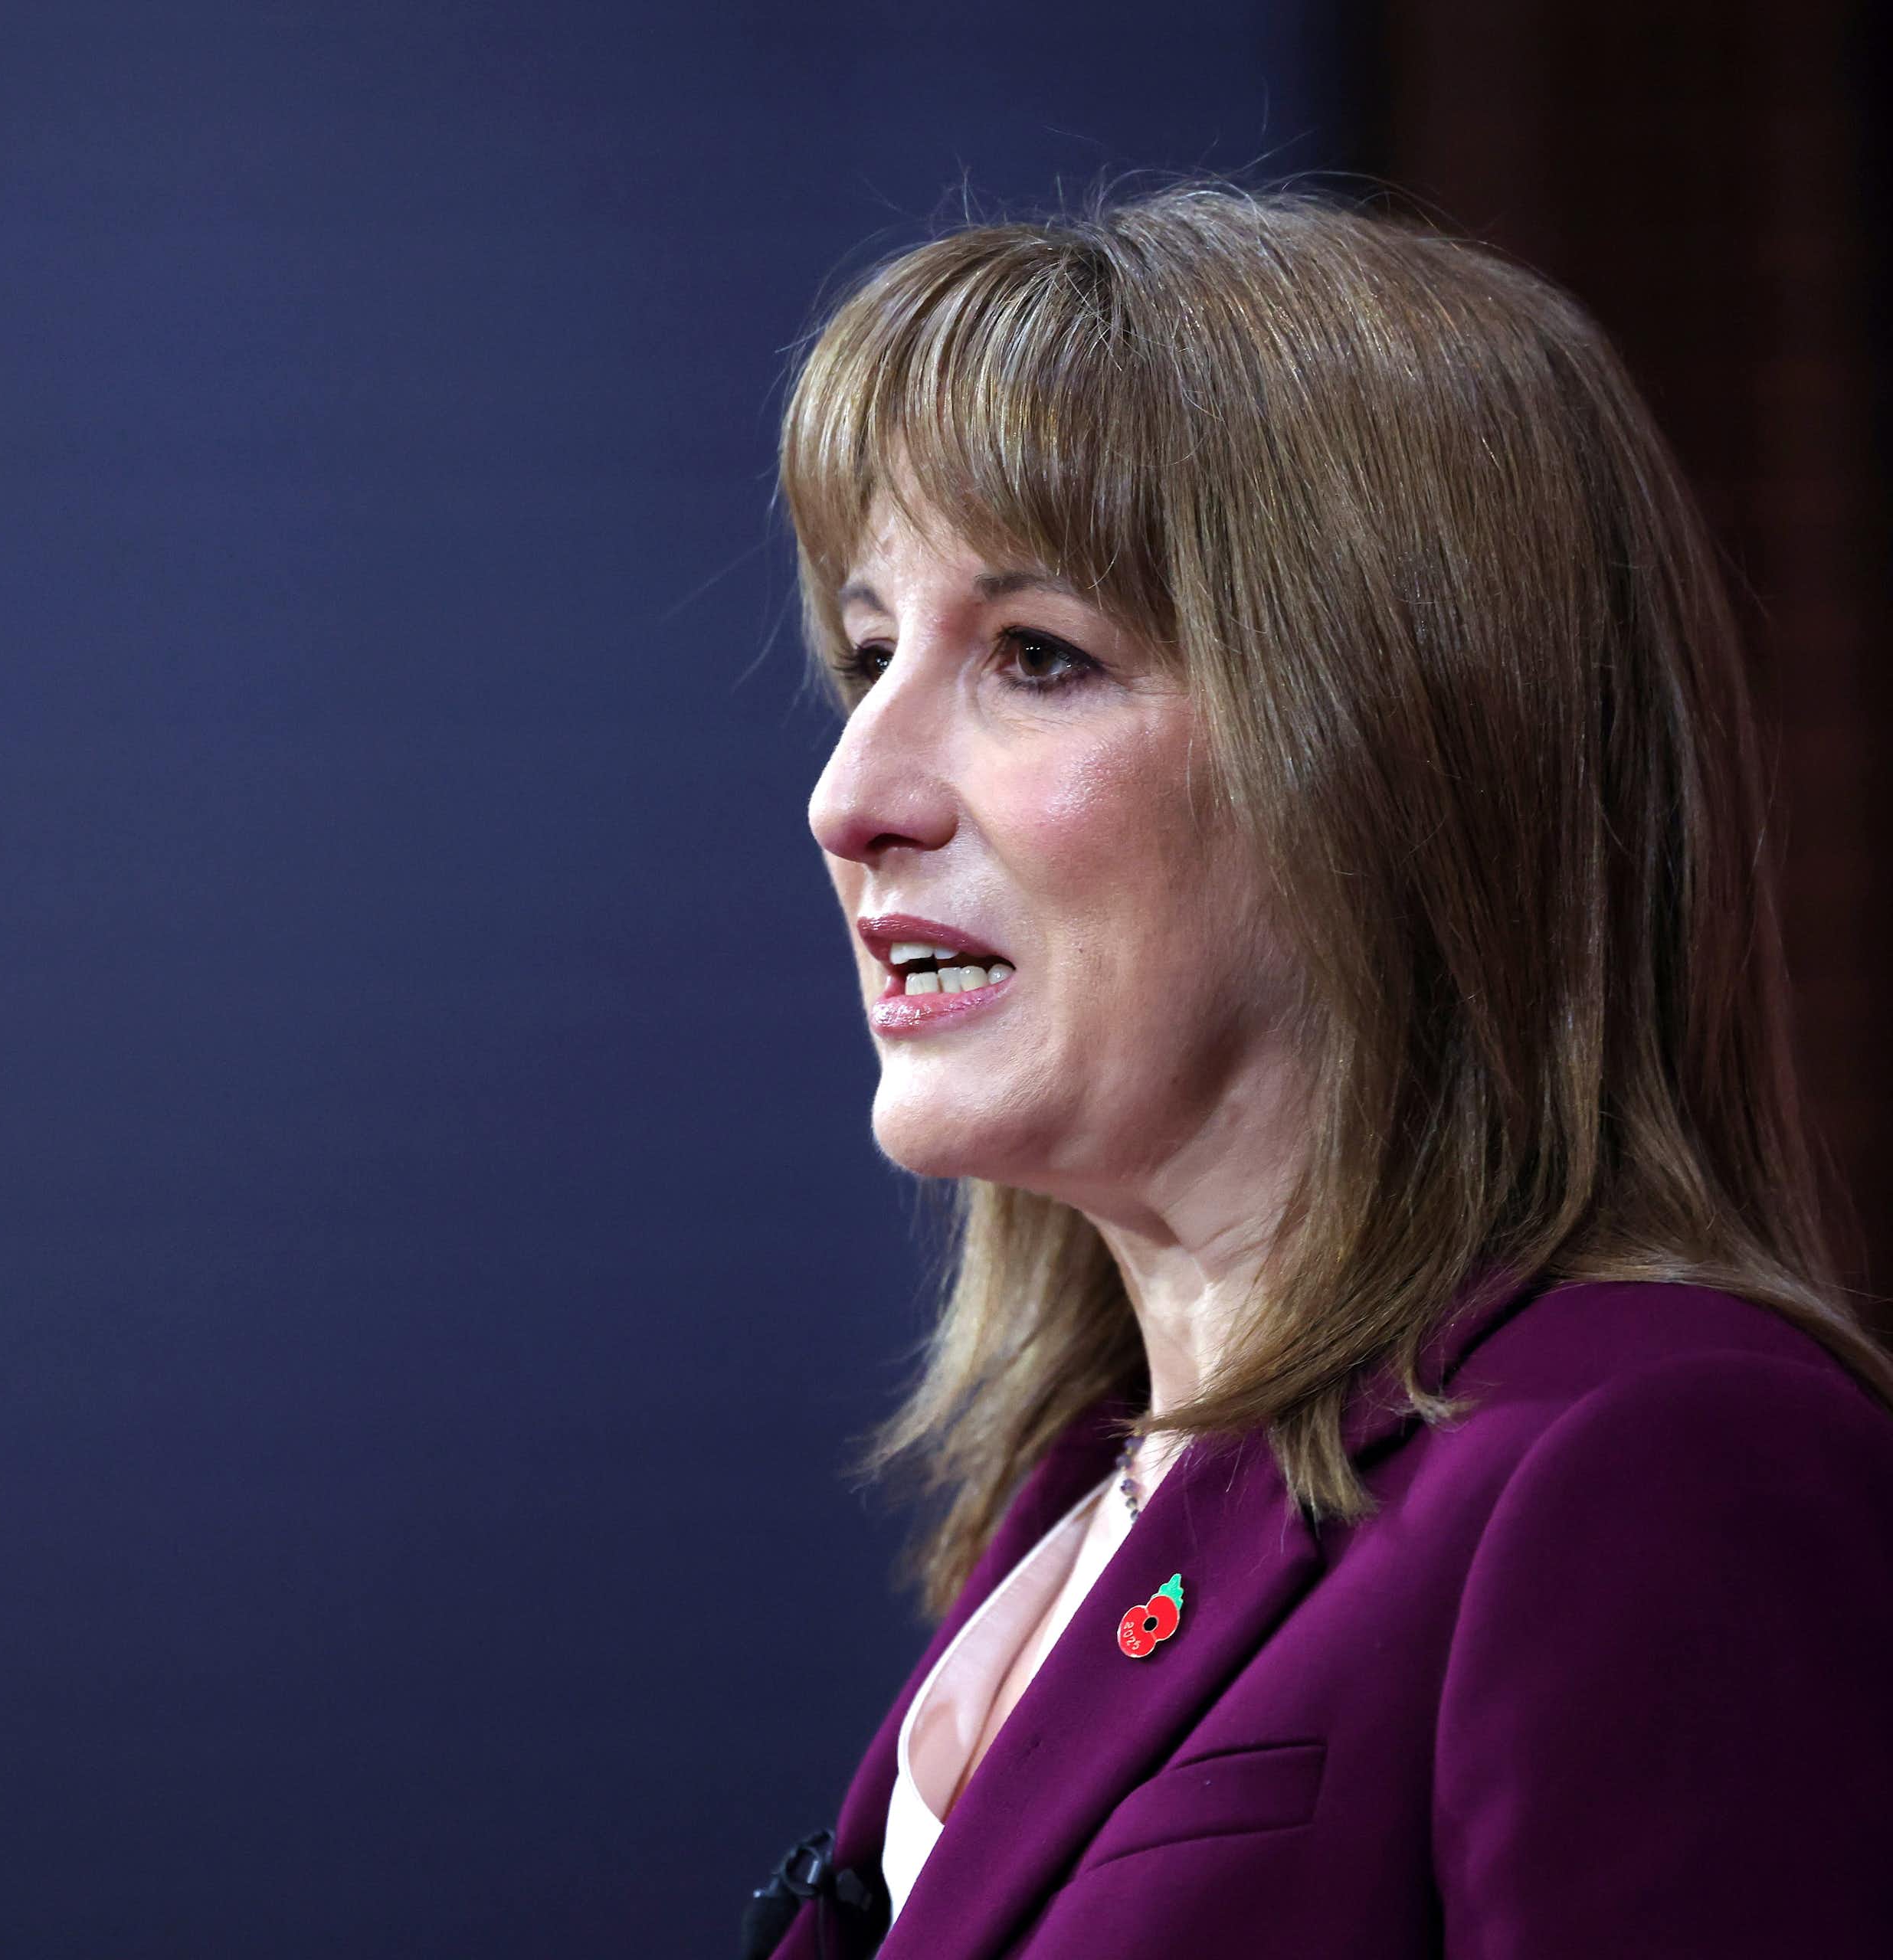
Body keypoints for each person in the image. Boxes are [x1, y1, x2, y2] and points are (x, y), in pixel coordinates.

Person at [741, 183, 1893, 1960]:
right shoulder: (1071, 1507)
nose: (851, 797)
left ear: (1400, 754)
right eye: (870, 655)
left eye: (1036, 657)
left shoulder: (1658, 1462)